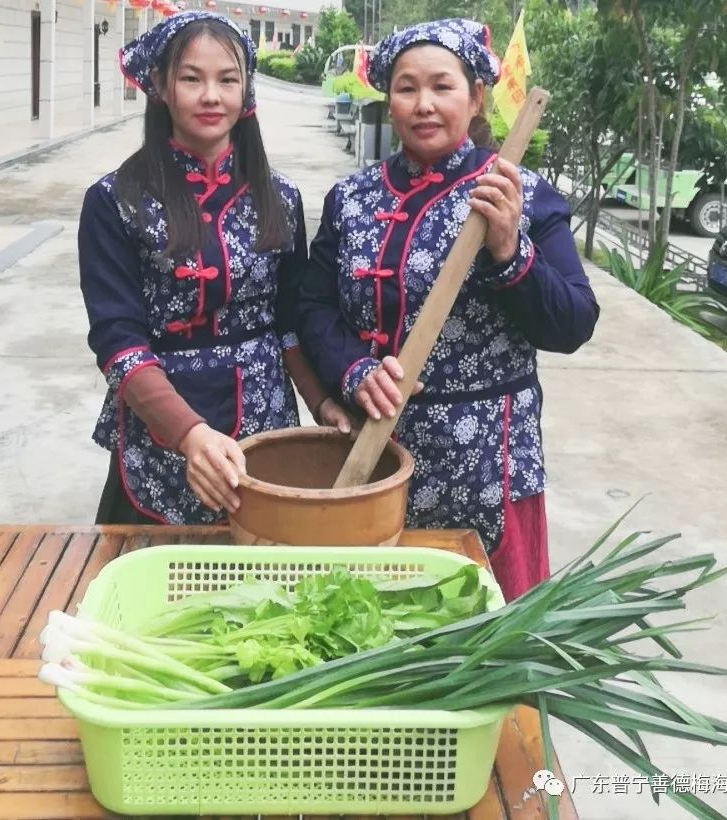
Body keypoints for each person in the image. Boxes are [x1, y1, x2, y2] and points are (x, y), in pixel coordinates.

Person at [297, 19, 599, 601]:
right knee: (373, 629)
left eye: (442, 86)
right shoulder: (352, 198)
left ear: (477, 95)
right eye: (407, 88)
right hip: (375, 455)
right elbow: (313, 305)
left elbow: (573, 324)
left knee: (487, 648)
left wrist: (512, 252)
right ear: (389, 98)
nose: (423, 104)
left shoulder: (520, 194)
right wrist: (355, 371)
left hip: (487, 464)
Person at [79, 11, 348, 525]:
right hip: (160, 429)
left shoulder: (281, 197)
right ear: (159, 84)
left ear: (246, 91)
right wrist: (189, 434)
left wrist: (320, 400)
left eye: (227, 79)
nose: (211, 96)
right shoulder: (115, 201)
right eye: (191, 78)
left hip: (265, 424)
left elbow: (288, 323)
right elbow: (119, 343)